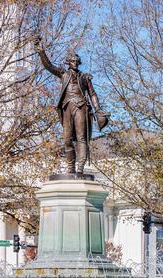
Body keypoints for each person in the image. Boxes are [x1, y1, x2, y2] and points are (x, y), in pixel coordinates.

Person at [35, 36, 109, 174]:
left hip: (81, 107)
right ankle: (71, 168)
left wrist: (98, 109)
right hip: (67, 107)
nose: (75, 63)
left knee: (81, 138)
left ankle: (80, 168)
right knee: (67, 139)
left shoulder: (85, 77)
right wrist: (40, 49)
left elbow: (92, 94)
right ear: (68, 63)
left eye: (77, 61)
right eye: (72, 61)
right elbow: (48, 65)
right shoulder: (63, 74)